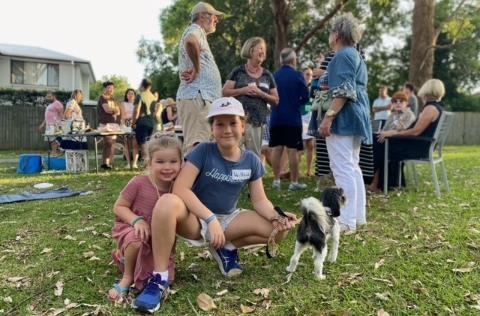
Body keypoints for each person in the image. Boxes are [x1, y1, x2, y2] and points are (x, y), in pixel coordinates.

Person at [132, 97, 298, 313]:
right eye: (220, 124)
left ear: (243, 126)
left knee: (278, 232)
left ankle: (226, 248)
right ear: (212, 129)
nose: (227, 129)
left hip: (228, 219)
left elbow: (259, 200)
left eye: (233, 123)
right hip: (195, 218)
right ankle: (159, 280)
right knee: (167, 202)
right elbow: (181, 189)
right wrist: (209, 219)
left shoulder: (252, 160)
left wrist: (278, 217)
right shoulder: (203, 152)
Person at [108, 133, 182, 303]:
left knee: (163, 278)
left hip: (157, 239)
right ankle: (127, 277)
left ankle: (126, 259)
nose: (167, 167)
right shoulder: (139, 182)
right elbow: (118, 207)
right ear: (149, 162)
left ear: (181, 162)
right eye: (160, 161)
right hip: (132, 228)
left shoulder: (177, 189)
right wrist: (137, 220)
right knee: (136, 239)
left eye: (173, 161)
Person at [319, 13, 372, 232]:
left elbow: (343, 91)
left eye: (331, 31)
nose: (329, 35)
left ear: (338, 34)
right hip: (357, 113)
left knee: (342, 168)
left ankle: (347, 221)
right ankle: (358, 217)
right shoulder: (355, 54)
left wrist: (328, 117)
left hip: (345, 115)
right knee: (352, 167)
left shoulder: (341, 56)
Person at [375, 79, 445, 189]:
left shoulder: (430, 108)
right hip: (422, 145)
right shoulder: (438, 107)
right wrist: (401, 130)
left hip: (419, 148)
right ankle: (390, 183)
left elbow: (415, 132)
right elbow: (417, 130)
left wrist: (392, 134)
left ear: (427, 90)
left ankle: (377, 184)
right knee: (381, 141)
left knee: (378, 143)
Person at [176, 2, 225, 154]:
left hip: (201, 98)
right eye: (214, 16)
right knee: (197, 149)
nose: (216, 20)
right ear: (202, 16)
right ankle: (190, 178)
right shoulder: (195, 29)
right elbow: (190, 41)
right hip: (198, 97)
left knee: (201, 147)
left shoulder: (199, 33)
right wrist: (197, 69)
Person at [223, 37, 279, 157]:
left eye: (264, 50)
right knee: (234, 154)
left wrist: (261, 94)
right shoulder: (238, 71)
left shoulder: (267, 74)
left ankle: (254, 176)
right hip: (237, 121)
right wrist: (243, 90)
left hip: (257, 122)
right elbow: (225, 92)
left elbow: (276, 100)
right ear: (251, 50)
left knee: (253, 156)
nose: (263, 52)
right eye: (260, 48)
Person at [270, 48, 310, 190]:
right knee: (292, 150)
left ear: (281, 61)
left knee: (277, 149)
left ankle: (276, 181)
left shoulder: (274, 76)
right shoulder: (298, 75)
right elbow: (306, 97)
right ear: (294, 60)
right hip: (292, 118)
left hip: (275, 118)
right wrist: (295, 103)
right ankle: (294, 182)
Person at [368, 91, 416, 192]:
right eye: (395, 101)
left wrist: (390, 132)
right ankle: (375, 182)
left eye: (401, 101)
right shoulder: (392, 115)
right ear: (392, 104)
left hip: (401, 144)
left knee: (375, 147)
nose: (398, 103)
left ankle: (374, 182)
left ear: (406, 103)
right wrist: (384, 133)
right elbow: (384, 130)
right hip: (388, 142)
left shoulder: (409, 115)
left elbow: (406, 132)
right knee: (372, 142)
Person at [134, 79, 160, 163]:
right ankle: (151, 161)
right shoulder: (154, 97)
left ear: (142, 86)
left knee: (143, 142)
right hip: (151, 122)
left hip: (142, 121)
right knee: (149, 142)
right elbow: (155, 111)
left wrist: (134, 121)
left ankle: (147, 161)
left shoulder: (140, 95)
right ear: (150, 86)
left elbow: (137, 110)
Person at [97, 81, 120, 170]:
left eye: (112, 88)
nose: (111, 90)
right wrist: (114, 110)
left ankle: (109, 163)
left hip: (113, 124)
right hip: (104, 124)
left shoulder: (113, 99)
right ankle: (105, 163)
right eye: (109, 88)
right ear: (105, 89)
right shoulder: (102, 98)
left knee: (112, 144)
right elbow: (107, 110)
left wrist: (113, 110)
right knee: (108, 143)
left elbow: (119, 111)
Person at [38, 91, 64, 156]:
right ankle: (55, 153)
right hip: (48, 125)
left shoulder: (57, 103)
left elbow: (61, 115)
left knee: (54, 140)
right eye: (47, 97)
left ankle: (56, 152)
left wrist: (62, 125)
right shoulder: (50, 105)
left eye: (49, 97)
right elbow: (47, 116)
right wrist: (42, 124)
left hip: (54, 125)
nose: (48, 98)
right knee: (51, 140)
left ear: (54, 96)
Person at [301, 67, 315, 177]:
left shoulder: (314, 87)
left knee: (310, 145)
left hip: (310, 117)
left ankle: (309, 170)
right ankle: (291, 170)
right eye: (307, 74)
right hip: (300, 118)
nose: (309, 76)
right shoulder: (299, 86)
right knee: (297, 147)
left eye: (311, 74)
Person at [121, 88, 139, 169]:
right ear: (126, 95)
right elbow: (123, 115)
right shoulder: (123, 104)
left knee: (135, 144)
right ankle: (128, 163)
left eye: (132, 93)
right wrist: (132, 118)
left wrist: (134, 121)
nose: (130, 95)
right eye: (128, 93)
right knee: (127, 144)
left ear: (135, 95)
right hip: (126, 124)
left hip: (136, 125)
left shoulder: (137, 104)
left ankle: (135, 163)